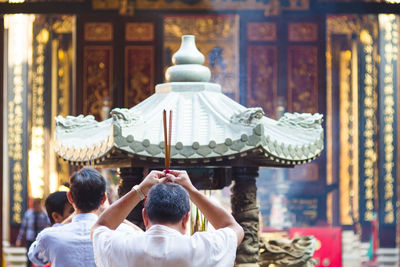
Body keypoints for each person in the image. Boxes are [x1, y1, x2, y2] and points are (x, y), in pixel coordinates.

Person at [91, 169, 244, 267]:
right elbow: (234, 228)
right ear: (186, 219)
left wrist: (140, 190)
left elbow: (99, 227)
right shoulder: (204, 248)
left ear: (145, 216)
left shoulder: (122, 247)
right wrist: (192, 191)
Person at [28, 168, 109, 267]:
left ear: (70, 197)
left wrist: (64, 222)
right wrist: (109, 211)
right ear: (104, 199)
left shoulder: (49, 236)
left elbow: (34, 255)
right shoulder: (114, 235)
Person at [16, 198, 50, 267]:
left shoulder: (43, 214)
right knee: (29, 257)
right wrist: (19, 238)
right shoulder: (28, 213)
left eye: (39, 205)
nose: (37, 206)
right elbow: (23, 227)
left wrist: (44, 211)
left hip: (40, 239)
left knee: (40, 257)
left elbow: (50, 222)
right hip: (30, 238)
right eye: (36, 205)